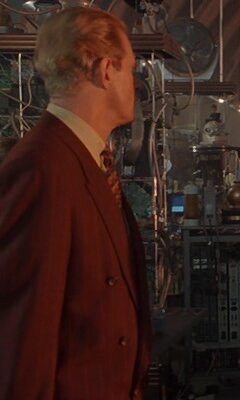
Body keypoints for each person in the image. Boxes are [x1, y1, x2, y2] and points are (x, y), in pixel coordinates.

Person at [0, 8, 151, 400]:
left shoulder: (84, 158)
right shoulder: (42, 167)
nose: (135, 84)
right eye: (130, 69)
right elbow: (24, 336)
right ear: (106, 70)